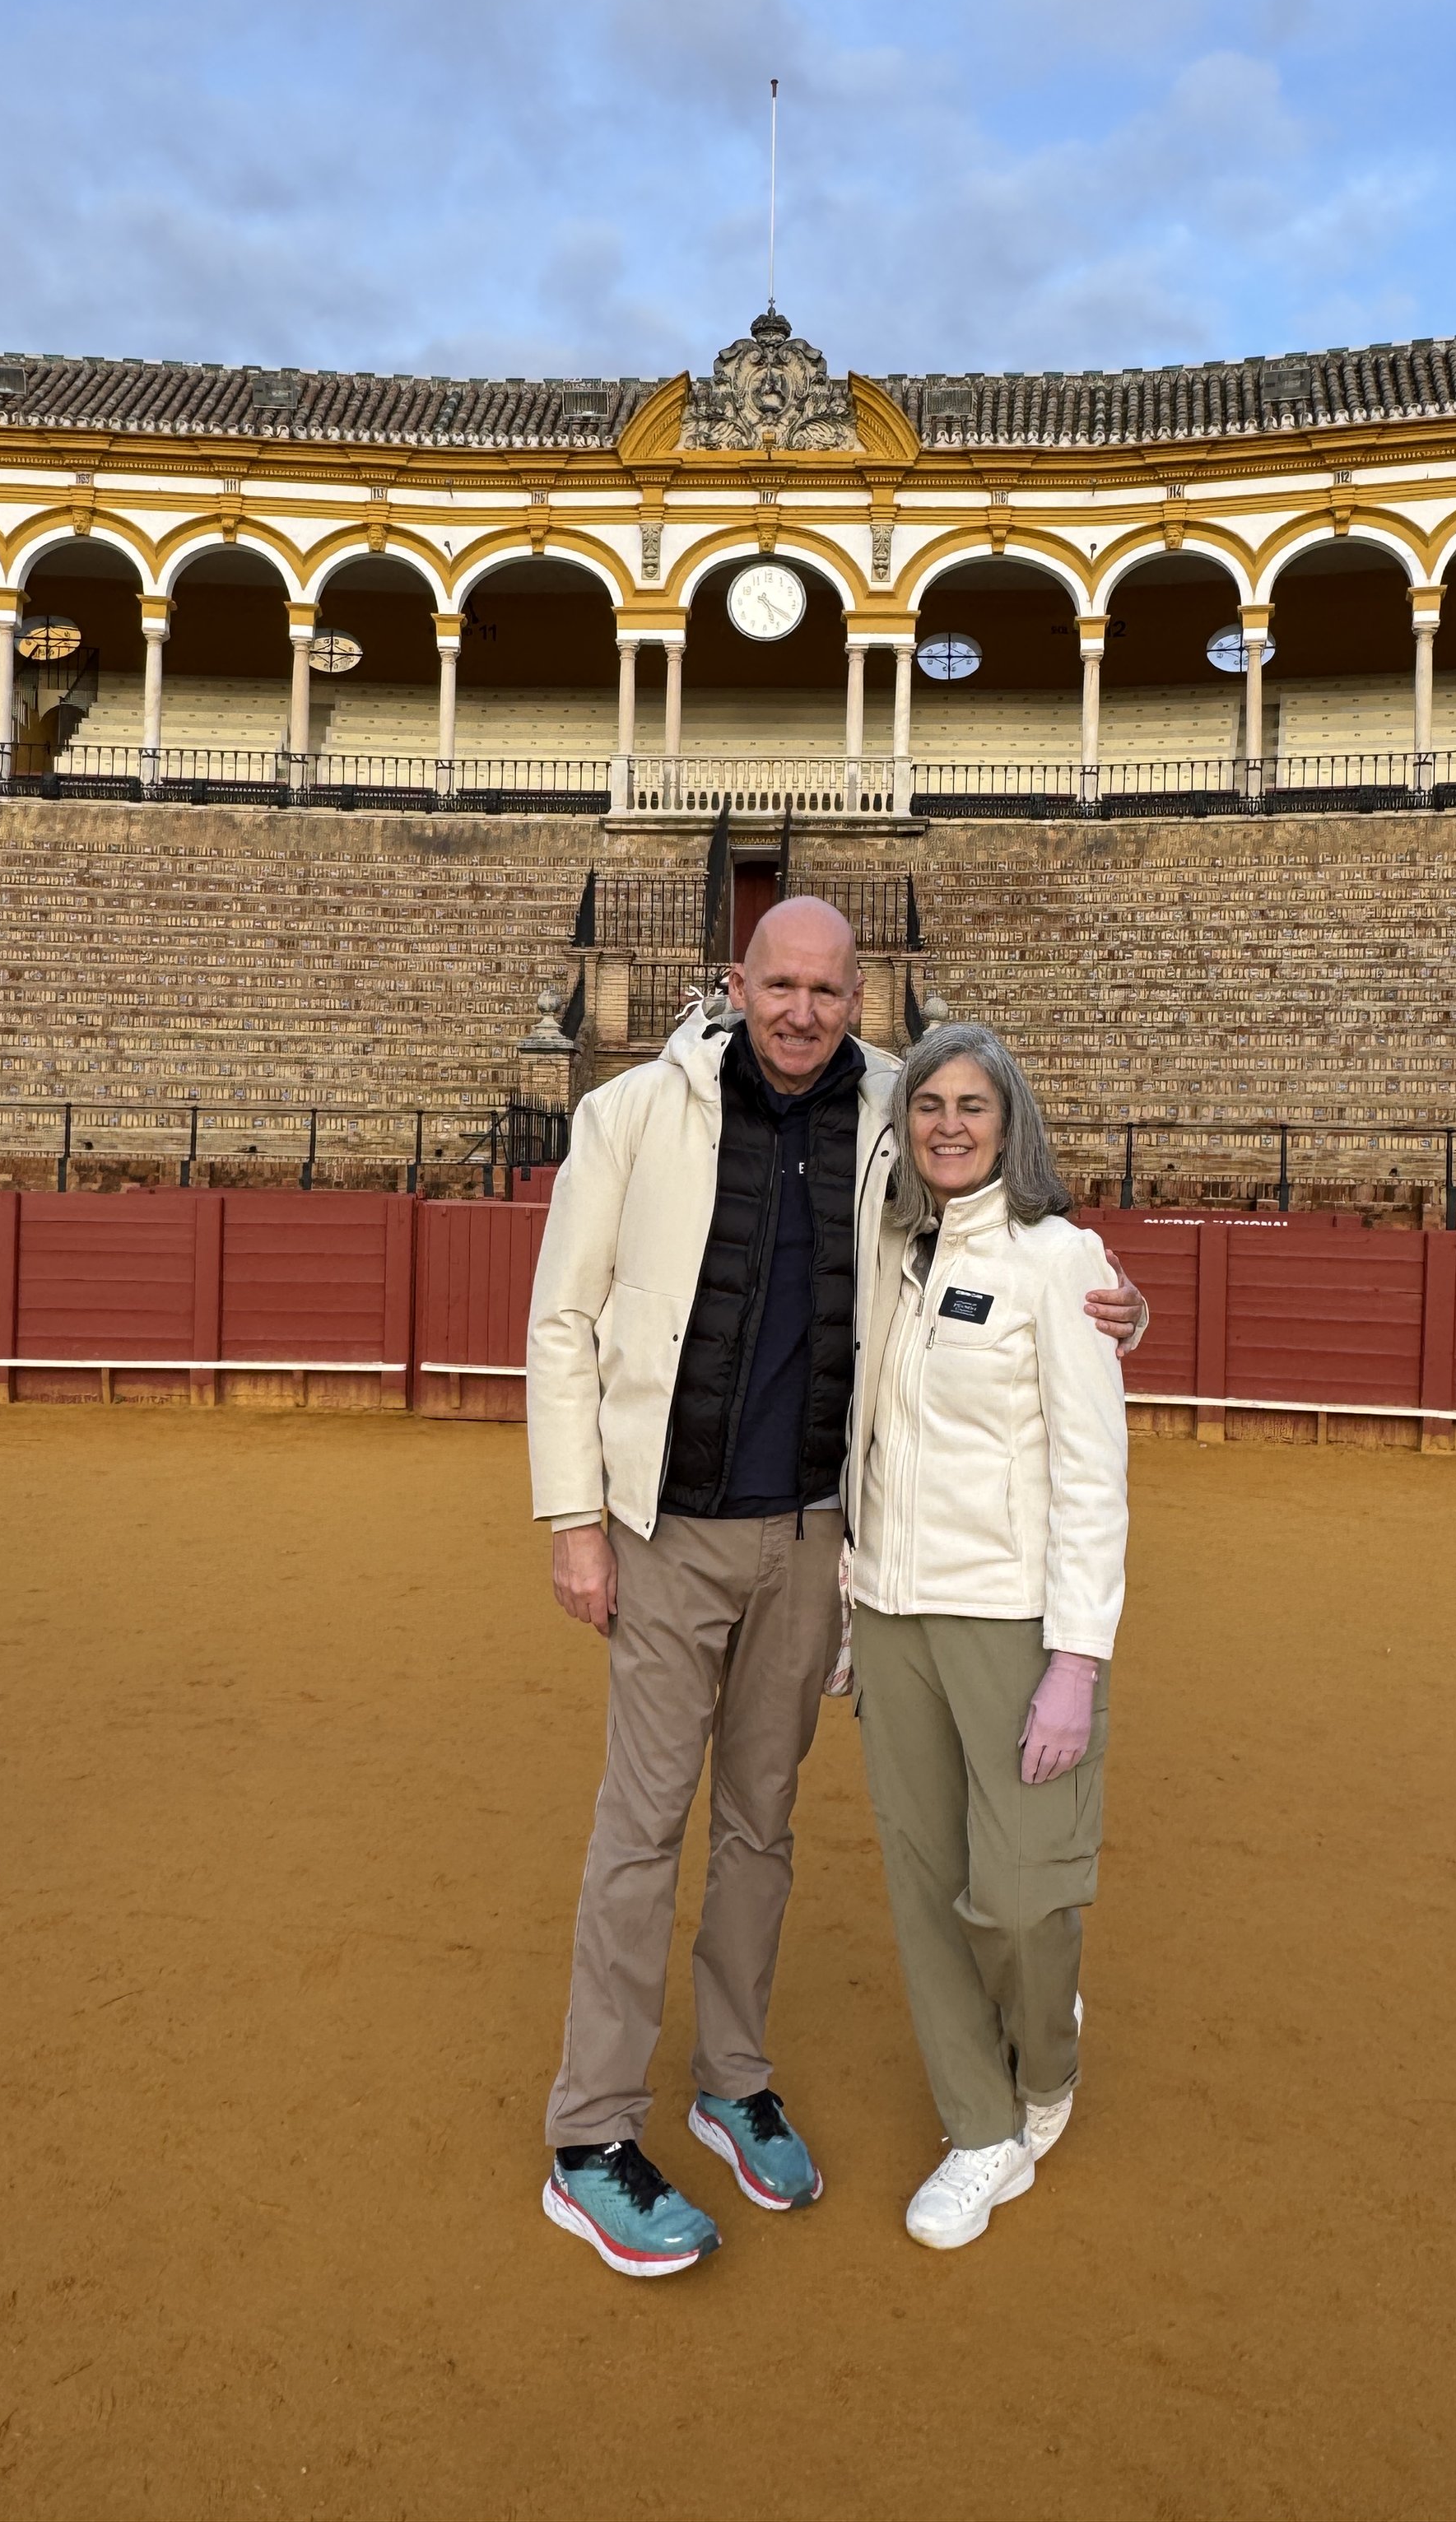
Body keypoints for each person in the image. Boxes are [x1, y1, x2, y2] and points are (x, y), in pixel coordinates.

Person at [525, 897, 1148, 2277]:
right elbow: (562, 1318)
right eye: (781, 983)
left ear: (859, 996)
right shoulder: (630, 1114)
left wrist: (1119, 1300)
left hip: (813, 1538)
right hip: (667, 1530)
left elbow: (1008, 1219)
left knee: (762, 1825)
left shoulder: (891, 1106)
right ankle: (591, 2132)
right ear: (736, 981)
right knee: (642, 1828)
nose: (802, 1009)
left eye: (828, 989)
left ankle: (733, 2079)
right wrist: (575, 1519)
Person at [844, 1019, 1129, 2251]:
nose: (948, 1124)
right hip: (889, 1611)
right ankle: (979, 2126)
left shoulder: (1060, 1261)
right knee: (923, 1887)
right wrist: (851, 1594)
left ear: (1012, 1124)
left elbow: (1094, 1473)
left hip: (1011, 1617)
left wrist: (1077, 1661)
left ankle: (1045, 2059)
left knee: (1018, 1896)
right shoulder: (886, 1246)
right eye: (928, 1104)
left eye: (973, 1104)